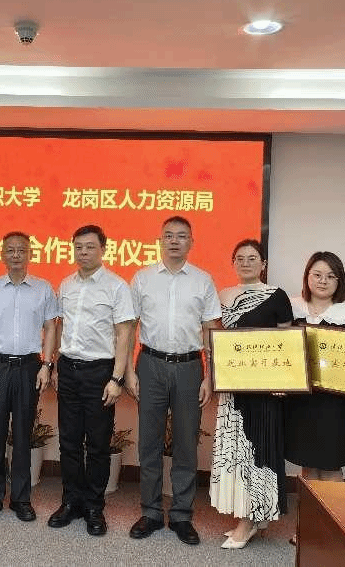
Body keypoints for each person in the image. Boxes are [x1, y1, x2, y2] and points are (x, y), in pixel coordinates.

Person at [126, 216, 221, 546]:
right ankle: (151, 512)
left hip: (189, 367)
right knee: (149, 443)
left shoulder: (203, 281)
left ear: (191, 242)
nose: (175, 241)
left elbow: (210, 331)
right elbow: (129, 328)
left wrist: (210, 376)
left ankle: (182, 515)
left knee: (185, 443)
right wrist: (129, 371)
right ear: (160, 240)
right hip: (150, 364)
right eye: (169, 236)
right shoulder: (142, 278)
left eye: (182, 236)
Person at [48, 225, 135, 537]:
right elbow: (60, 326)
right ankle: (71, 501)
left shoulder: (117, 286)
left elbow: (124, 334)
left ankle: (94, 506)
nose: (83, 252)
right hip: (68, 368)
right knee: (69, 442)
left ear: (103, 249)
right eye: (78, 247)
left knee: (97, 444)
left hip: (100, 372)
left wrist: (117, 378)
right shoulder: (66, 284)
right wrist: (55, 365)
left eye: (89, 247)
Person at [209, 239, 292, 549]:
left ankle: (250, 520)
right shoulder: (222, 296)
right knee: (236, 453)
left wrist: (283, 381)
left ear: (263, 264)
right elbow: (215, 340)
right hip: (232, 387)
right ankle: (250, 517)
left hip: (264, 388)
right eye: (240, 258)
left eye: (252, 258)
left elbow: (287, 344)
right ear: (233, 263)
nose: (246, 263)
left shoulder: (276, 296)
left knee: (257, 450)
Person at [0, 231, 58, 523]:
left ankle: (21, 499)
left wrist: (47, 365)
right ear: (2, 255)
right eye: (10, 250)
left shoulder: (43, 289)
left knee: (23, 435)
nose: (16, 255)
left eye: (21, 250)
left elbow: (51, 328)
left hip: (30, 367)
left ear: (30, 254)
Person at [284, 252, 345, 484]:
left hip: (337, 403)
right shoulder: (291, 307)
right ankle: (308, 510)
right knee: (308, 465)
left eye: (331, 276)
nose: (323, 281)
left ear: (339, 281)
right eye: (317, 275)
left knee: (332, 465)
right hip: (301, 401)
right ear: (307, 277)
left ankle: (330, 510)